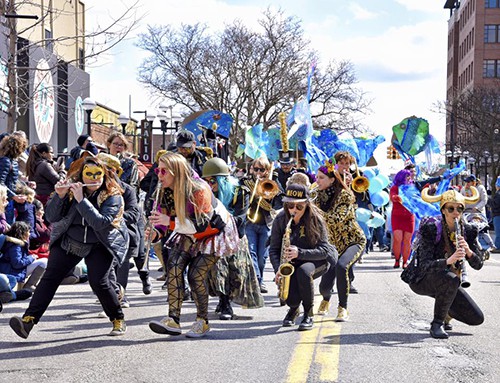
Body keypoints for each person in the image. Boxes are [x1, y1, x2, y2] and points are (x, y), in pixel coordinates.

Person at [9, 154, 130, 339]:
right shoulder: (72, 190)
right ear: (81, 175)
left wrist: (82, 200)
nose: (94, 178)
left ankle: (117, 318)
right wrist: (59, 196)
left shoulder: (113, 196)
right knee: (50, 278)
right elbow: (51, 217)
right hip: (70, 241)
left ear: (104, 175)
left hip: (99, 243)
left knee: (99, 282)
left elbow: (100, 223)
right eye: (89, 174)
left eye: (98, 174)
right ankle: (28, 320)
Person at [148, 152, 239, 338]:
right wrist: (156, 232)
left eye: (164, 171)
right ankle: (173, 319)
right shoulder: (163, 189)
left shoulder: (198, 189)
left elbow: (202, 226)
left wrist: (169, 222)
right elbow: (161, 217)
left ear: (176, 172)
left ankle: (202, 321)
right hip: (186, 228)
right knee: (173, 265)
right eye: (158, 170)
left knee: (195, 274)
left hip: (212, 231)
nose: (159, 175)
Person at [404, 187, 484, 339]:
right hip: (421, 279)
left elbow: (478, 264)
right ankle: (437, 324)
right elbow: (424, 265)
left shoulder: (468, 230)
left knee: (476, 318)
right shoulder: (432, 228)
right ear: (443, 210)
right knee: (451, 278)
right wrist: (449, 260)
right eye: (451, 208)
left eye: (460, 208)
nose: (456, 213)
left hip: (448, 282)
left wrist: (469, 252)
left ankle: (446, 310)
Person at [202, 158, 263, 320]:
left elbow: (241, 218)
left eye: (213, 180)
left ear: (222, 180)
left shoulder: (240, 192)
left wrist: (223, 221)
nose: (210, 184)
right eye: (206, 181)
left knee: (235, 271)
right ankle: (224, 302)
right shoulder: (204, 193)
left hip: (235, 237)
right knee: (216, 268)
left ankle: (226, 300)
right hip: (213, 236)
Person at [269, 183, 334, 330]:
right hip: (292, 263)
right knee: (292, 299)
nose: (294, 210)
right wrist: (277, 269)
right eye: (290, 206)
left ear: (307, 204)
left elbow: (325, 250)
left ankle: (308, 313)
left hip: (317, 260)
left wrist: (300, 253)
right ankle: (293, 309)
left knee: (303, 272)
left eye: (299, 206)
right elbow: (273, 249)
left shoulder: (315, 219)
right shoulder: (280, 220)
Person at [314, 158, 364, 321]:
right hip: (332, 244)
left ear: (332, 179)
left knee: (342, 267)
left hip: (352, 240)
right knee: (324, 286)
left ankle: (343, 308)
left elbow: (335, 219)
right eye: (317, 177)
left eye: (321, 177)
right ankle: (326, 300)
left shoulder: (344, 195)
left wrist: (312, 209)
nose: (317, 180)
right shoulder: (317, 196)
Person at [242, 157, 283, 293]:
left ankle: (259, 279)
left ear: (267, 170)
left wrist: (269, 187)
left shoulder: (272, 181)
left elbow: (280, 200)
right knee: (251, 252)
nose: (258, 172)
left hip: (266, 223)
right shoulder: (246, 182)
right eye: (256, 169)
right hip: (250, 222)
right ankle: (257, 282)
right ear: (252, 169)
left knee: (262, 257)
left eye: (262, 169)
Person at [0, 133, 29, 224]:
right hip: (5, 201)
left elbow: (11, 180)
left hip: (8, 200)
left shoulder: (10, 161)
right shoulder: (6, 161)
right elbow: (1, 183)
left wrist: (26, 184)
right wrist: (14, 196)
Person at [390, 169, 415, 268]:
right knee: (398, 239)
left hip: (409, 216)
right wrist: (397, 197)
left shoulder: (412, 187)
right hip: (397, 216)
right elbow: (392, 197)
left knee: (407, 240)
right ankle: (397, 260)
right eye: (407, 176)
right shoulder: (395, 188)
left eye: (409, 176)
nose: (409, 178)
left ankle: (405, 261)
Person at [491, 177, 500, 253]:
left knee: (498, 232)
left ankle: (497, 247)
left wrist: (489, 201)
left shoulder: (498, 194)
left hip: (497, 215)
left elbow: (495, 204)